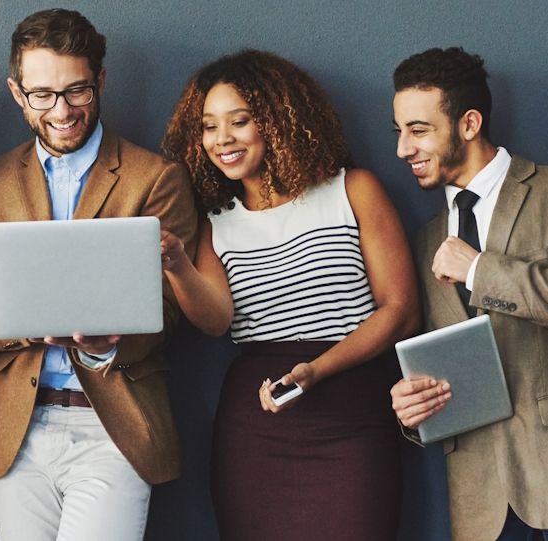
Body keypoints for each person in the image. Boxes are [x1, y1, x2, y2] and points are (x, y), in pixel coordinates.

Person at [158, 50, 418, 540]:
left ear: (279, 120)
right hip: (256, 424)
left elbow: (400, 312)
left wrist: (315, 371)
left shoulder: (353, 190)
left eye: (239, 121)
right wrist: (176, 264)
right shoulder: (216, 223)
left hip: (352, 412)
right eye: (209, 127)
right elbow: (216, 321)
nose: (222, 140)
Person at [387, 47, 548, 540]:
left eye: (418, 130)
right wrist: (412, 411)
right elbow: (437, 360)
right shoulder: (423, 241)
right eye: (398, 131)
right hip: (479, 497)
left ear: (469, 124)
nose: (402, 148)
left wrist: (482, 270)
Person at [0, 9, 197, 541]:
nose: (61, 110)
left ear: (102, 82)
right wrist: (32, 325)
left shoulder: (156, 178)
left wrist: (105, 346)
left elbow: (173, 308)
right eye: (42, 94)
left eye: (77, 91)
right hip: (16, 430)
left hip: (114, 425)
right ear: (17, 94)